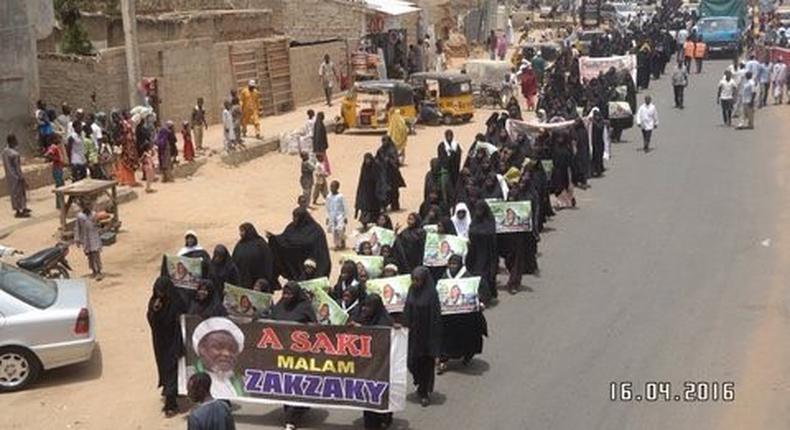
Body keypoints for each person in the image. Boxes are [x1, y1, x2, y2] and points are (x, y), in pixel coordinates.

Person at [269, 282, 317, 430]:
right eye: (285, 293)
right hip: (282, 355)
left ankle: (292, 418)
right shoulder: (280, 305)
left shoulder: (305, 307)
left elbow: (315, 327)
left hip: (301, 355)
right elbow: (271, 320)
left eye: (290, 294)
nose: (286, 296)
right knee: (286, 385)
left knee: (297, 383)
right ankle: (291, 412)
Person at [437, 254, 487, 374]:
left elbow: (478, 293)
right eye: (451, 264)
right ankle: (443, 360)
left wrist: (480, 302)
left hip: (465, 317)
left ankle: (467, 354)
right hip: (448, 317)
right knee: (445, 337)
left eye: (455, 264)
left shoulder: (468, 277)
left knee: (467, 336)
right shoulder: (444, 277)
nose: (453, 267)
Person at [352, 294, 395, 429]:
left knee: (379, 394)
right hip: (366, 366)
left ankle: (385, 417)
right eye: (364, 305)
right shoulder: (363, 318)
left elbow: (379, 335)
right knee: (368, 396)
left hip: (381, 366)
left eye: (369, 306)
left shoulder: (385, 321)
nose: (365, 309)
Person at [403, 266, 442, 407]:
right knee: (411, 363)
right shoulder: (411, 291)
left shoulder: (431, 295)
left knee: (425, 366)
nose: (415, 282)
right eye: (413, 279)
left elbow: (435, 320)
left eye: (418, 280)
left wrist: (435, 347)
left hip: (427, 337)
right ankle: (419, 382)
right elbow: (407, 309)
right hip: (413, 336)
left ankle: (424, 392)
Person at [147, 276, 185, 417]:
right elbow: (151, 320)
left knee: (173, 369)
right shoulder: (154, 302)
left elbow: (181, 317)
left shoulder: (176, 302)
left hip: (174, 341)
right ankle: (170, 391)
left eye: (162, 291)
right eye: (157, 291)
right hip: (161, 343)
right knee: (165, 368)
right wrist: (155, 311)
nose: (160, 294)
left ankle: (170, 403)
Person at [268, 208, 332, 280]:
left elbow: (318, 249)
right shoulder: (291, 227)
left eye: (296, 217)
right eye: (293, 217)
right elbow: (285, 240)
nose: (294, 219)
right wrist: (274, 239)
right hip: (296, 266)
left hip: (312, 266)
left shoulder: (316, 230)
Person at [191, 317, 245, 399]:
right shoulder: (188, 376)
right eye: (218, 347)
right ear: (202, 349)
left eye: (232, 349)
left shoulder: (243, 382)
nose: (226, 353)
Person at [231, 222, 274, 289]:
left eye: (242, 231)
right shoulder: (240, 244)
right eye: (240, 231)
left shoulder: (260, 243)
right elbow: (234, 260)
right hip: (244, 280)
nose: (240, 234)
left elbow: (268, 261)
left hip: (258, 279)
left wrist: (266, 278)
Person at [74, 199, 103, 280]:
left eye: (89, 205)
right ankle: (93, 270)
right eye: (86, 205)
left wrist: (98, 223)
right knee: (90, 256)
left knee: (96, 254)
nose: (88, 207)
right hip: (86, 239)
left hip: (94, 237)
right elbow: (77, 228)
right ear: (82, 206)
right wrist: (77, 239)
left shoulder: (93, 214)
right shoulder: (79, 216)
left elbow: (98, 225)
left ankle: (99, 271)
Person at [326, 180, 348, 250]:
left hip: (340, 215)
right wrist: (327, 217)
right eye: (331, 186)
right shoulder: (329, 196)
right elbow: (327, 207)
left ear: (337, 188)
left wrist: (345, 217)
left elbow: (345, 207)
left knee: (340, 229)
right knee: (334, 231)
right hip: (332, 215)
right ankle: (337, 245)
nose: (332, 188)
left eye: (333, 187)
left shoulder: (340, 196)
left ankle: (343, 240)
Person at [44, 140, 65, 209]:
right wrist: (55, 159)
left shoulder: (57, 147)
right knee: (59, 186)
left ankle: (61, 203)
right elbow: (47, 155)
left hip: (59, 168)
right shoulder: (53, 147)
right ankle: (59, 204)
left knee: (61, 185)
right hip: (57, 169)